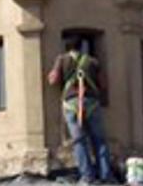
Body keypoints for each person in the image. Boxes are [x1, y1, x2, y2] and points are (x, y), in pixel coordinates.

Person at [48, 38, 114, 184]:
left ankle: (87, 176)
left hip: (72, 103)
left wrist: (53, 75)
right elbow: (103, 84)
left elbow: (53, 80)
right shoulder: (92, 61)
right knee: (100, 140)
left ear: (67, 47)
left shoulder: (62, 59)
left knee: (79, 141)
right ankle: (106, 175)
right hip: (91, 102)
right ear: (81, 47)